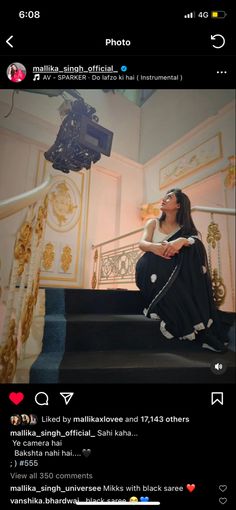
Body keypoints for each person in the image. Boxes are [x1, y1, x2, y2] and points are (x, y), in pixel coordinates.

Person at [135, 188, 227, 352]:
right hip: (148, 267)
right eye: (165, 196)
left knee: (190, 249)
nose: (164, 199)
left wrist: (182, 240)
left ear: (178, 205)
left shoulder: (184, 230)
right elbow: (142, 244)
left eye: (169, 197)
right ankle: (203, 333)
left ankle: (202, 331)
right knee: (165, 264)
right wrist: (156, 248)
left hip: (169, 271)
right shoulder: (153, 223)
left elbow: (195, 244)